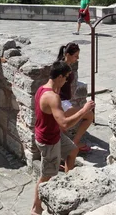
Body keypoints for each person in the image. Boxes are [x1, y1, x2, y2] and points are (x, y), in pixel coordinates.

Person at [31, 61, 95, 215]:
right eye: (66, 77)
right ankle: (35, 208)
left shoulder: (43, 89)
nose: (67, 81)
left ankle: (67, 183)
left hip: (53, 134)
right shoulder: (53, 97)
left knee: (72, 150)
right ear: (59, 76)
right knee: (46, 175)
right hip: (48, 141)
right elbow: (65, 124)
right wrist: (84, 110)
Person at [56, 43, 94, 152]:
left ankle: (69, 147)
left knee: (63, 127)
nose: (77, 58)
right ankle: (74, 144)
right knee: (89, 116)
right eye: (75, 56)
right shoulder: (62, 68)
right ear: (67, 54)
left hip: (64, 102)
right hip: (62, 103)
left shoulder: (64, 66)